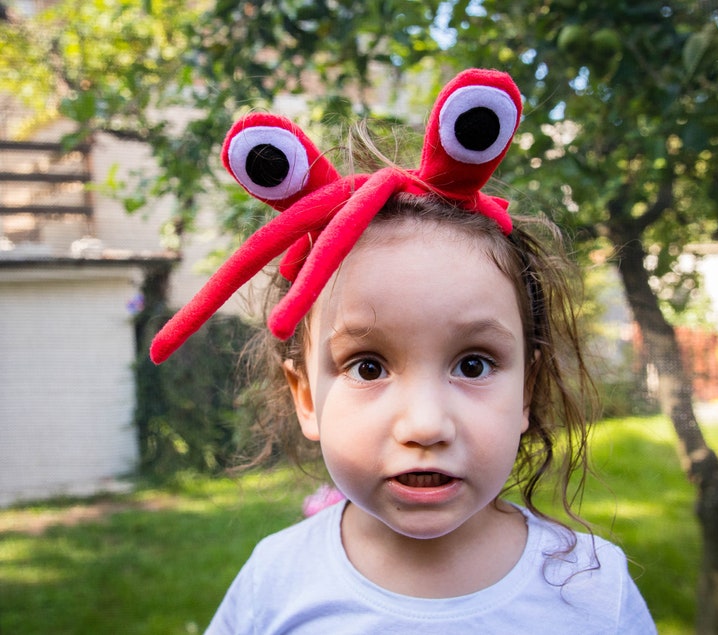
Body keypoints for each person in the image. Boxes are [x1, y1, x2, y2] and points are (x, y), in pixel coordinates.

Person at [150, 69, 656, 633]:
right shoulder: (275, 581)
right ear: (307, 397)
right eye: (368, 366)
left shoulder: (593, 590)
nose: (424, 424)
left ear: (527, 392)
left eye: (473, 364)